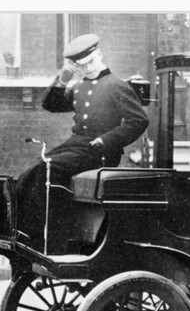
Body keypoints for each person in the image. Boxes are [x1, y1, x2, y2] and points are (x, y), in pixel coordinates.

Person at [15, 33, 149, 243]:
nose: (87, 68)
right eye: (82, 66)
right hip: (76, 146)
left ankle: (53, 237)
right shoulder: (79, 87)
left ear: (100, 55)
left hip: (100, 151)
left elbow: (138, 121)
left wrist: (107, 140)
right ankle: (26, 234)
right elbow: (51, 105)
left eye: (91, 62)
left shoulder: (117, 86)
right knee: (30, 172)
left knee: (49, 168)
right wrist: (62, 80)